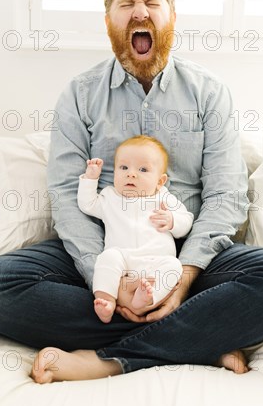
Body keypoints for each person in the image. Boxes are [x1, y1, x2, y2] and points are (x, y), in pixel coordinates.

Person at [0, 0, 263, 384]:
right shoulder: (80, 94)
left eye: (151, 1)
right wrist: (106, 282)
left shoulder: (209, 93)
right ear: (109, 19)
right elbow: (65, 195)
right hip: (103, 250)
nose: (139, 11)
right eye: (126, 3)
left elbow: (226, 195)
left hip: (189, 258)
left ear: (171, 16)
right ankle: (204, 335)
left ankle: (109, 359)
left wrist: (184, 278)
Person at [78, 135, 194, 323]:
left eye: (143, 169)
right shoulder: (110, 197)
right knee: (106, 258)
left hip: (156, 261)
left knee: (174, 267)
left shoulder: (164, 198)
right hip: (124, 261)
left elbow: (186, 223)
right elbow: (87, 204)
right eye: (123, 168)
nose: (131, 174)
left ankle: (146, 298)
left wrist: (172, 221)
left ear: (160, 181)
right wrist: (90, 178)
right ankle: (106, 301)